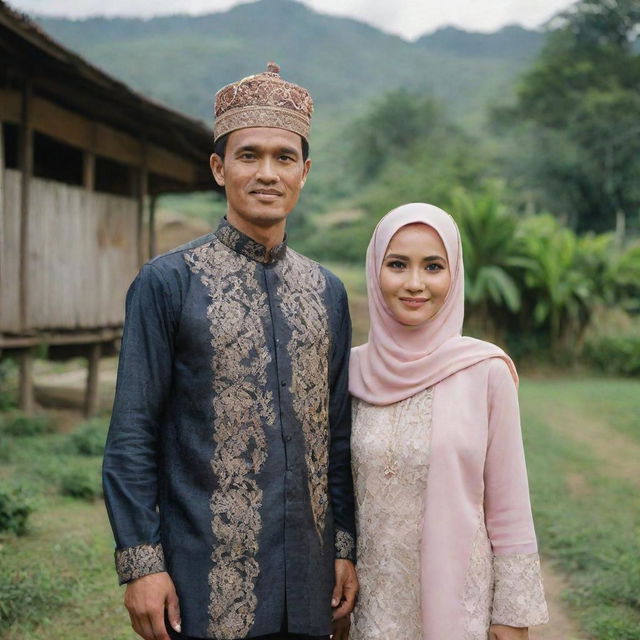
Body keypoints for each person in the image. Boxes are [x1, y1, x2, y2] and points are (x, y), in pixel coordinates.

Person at [102, 63, 357, 640]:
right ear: (219, 168)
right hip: (202, 579)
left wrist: (344, 547)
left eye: (284, 157)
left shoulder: (327, 293)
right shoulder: (167, 283)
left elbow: (336, 434)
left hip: (312, 582)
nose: (267, 173)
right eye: (249, 155)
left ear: (305, 172)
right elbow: (132, 434)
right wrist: (141, 564)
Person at [348, 203, 548, 640]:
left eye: (433, 266)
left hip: (460, 607)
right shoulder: (349, 373)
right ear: (374, 269)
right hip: (371, 608)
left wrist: (513, 614)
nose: (415, 283)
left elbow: (509, 504)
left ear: (453, 274)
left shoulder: (485, 371)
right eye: (397, 264)